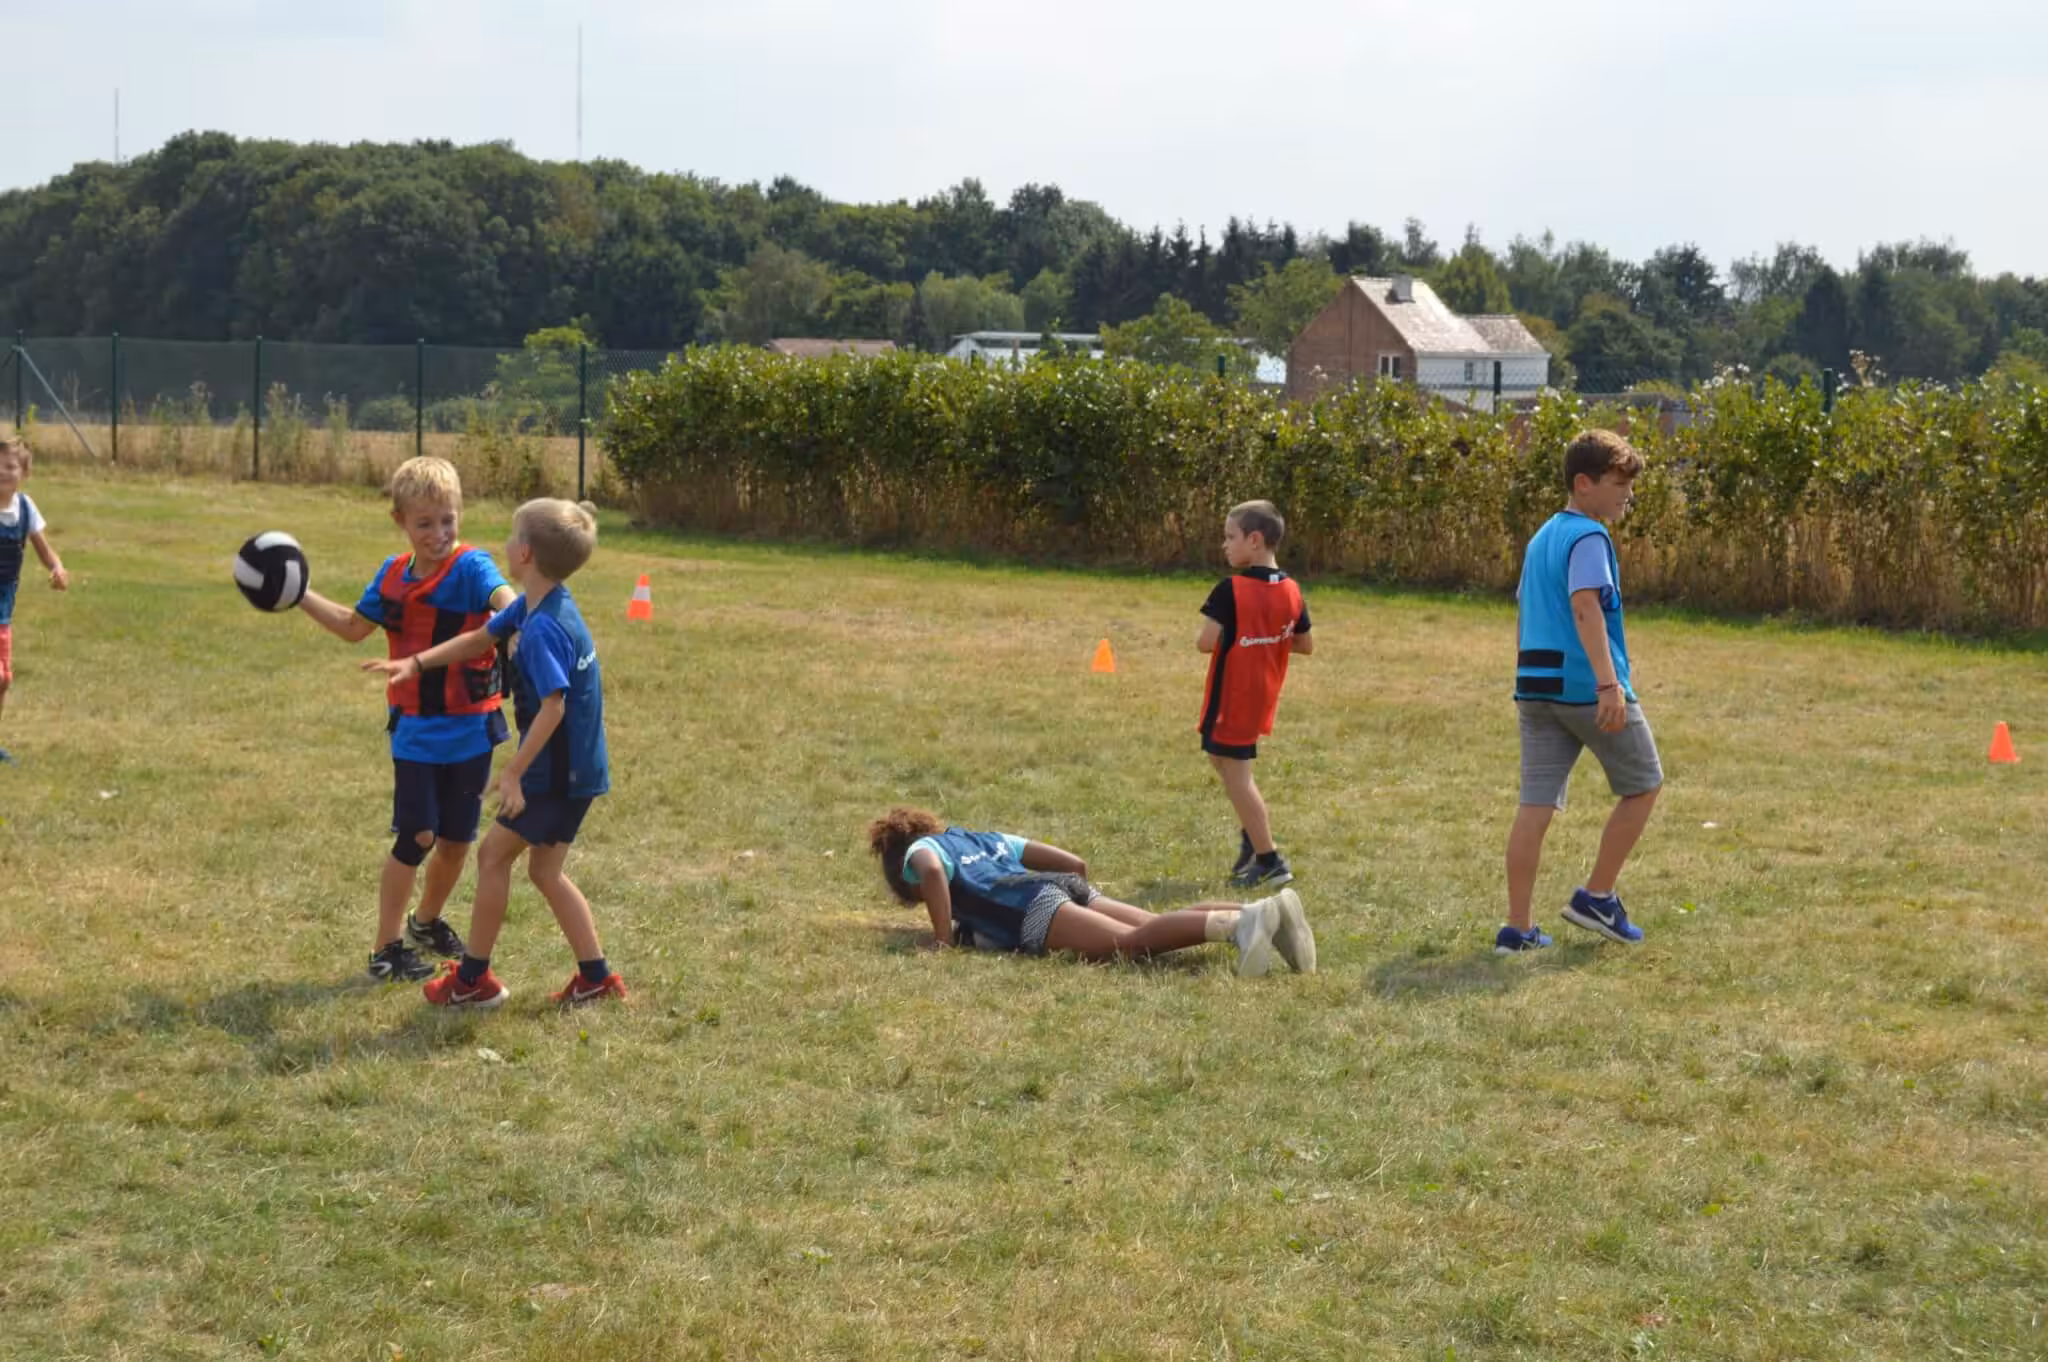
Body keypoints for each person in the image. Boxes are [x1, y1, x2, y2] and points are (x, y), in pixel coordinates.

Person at [364, 498, 623, 1009]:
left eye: (510, 536)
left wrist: (514, 773)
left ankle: (472, 982)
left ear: (524, 553)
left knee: (491, 855)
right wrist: (415, 664)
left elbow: (552, 708)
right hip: (580, 769)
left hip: (558, 773)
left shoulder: (543, 628)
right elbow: (481, 635)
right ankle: (596, 976)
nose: (503, 543)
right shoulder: (540, 604)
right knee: (545, 873)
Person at [295, 457, 516, 981]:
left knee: (457, 841)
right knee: (417, 836)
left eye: (448, 519)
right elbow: (353, 627)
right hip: (417, 731)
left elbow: (503, 599)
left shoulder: (472, 567)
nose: (439, 534)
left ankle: (427, 920)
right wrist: (296, 594)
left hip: (474, 728)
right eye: (425, 523)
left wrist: (518, 616)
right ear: (400, 521)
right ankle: (385, 949)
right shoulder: (393, 577)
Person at [1500, 429, 1663, 952]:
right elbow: (1585, 606)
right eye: (1618, 484)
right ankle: (1597, 896)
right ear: (1583, 483)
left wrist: (1526, 675)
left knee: (1536, 804)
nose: (1627, 495)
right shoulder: (1589, 537)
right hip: (1582, 686)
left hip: (1535, 685)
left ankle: (1517, 929)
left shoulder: (1542, 535)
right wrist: (1608, 684)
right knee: (1644, 784)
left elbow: (1527, 607)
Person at [866, 807, 1317, 976]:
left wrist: (941, 940)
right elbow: (1073, 864)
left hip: (1031, 905)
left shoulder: (921, 852)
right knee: (1150, 924)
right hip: (1062, 886)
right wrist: (1079, 894)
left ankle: (1239, 925)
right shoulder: (980, 838)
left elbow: (929, 870)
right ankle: (1266, 911)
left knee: (1127, 945)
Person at [1196, 499, 1313, 886]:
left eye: (1231, 537)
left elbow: (1205, 641)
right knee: (1221, 758)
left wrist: (1244, 637)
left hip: (1233, 696)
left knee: (1236, 772)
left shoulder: (1232, 589)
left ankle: (1269, 859)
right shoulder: (1293, 590)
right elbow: (1304, 643)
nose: (1225, 546)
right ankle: (1253, 831)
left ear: (1255, 540)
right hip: (1262, 694)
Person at [0, 436, 70, 764]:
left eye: (10, 466)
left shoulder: (25, 509)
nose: (3, 472)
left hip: (3, 610)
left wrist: (56, 567)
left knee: (4, 681)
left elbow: (42, 547)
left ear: (24, 471)